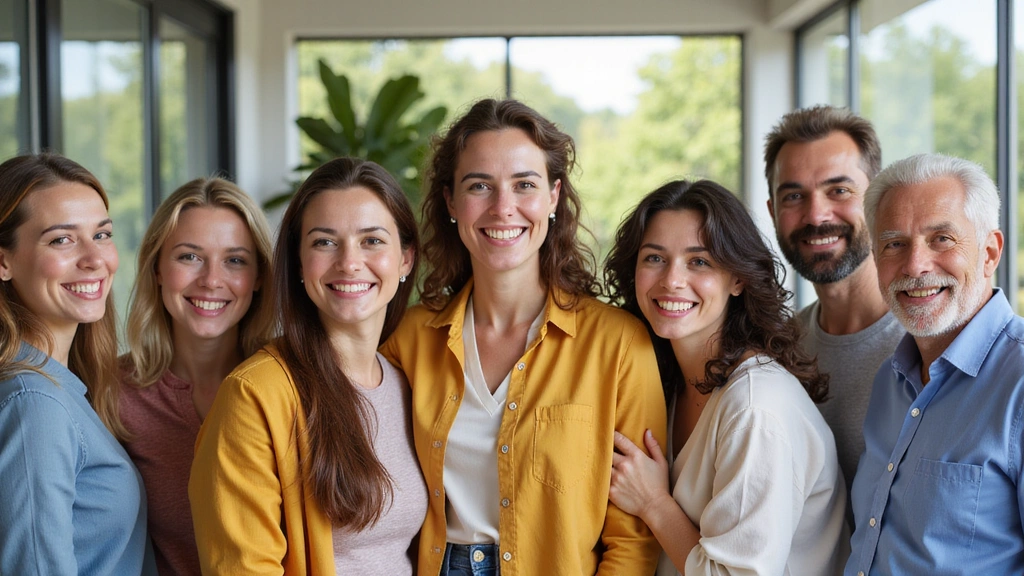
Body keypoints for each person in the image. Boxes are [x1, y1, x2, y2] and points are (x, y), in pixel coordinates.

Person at [380, 98, 666, 576]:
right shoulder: (406, 339)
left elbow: (632, 537)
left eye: (524, 185)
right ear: (451, 201)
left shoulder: (618, 344)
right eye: (479, 186)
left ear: (553, 197)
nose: (503, 207)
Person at [189, 157, 423, 575]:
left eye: (372, 241)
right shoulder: (255, 394)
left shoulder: (409, 385)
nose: (349, 262)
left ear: (405, 259)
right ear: (298, 263)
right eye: (324, 242)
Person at [604, 179, 847, 575]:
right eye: (654, 258)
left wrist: (653, 503)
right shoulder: (662, 381)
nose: (671, 280)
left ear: (738, 279)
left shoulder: (754, 407)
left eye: (699, 261)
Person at [847, 153, 1024, 574]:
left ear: (989, 252)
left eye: (942, 239)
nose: (915, 265)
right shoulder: (889, 381)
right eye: (894, 244)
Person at [0, 153, 156, 575]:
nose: (94, 258)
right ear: (4, 261)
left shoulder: (62, 385)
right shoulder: (35, 402)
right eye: (61, 240)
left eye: (102, 234)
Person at [117, 177, 275, 575]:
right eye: (189, 257)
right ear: (156, 268)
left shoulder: (289, 382)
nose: (211, 280)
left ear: (258, 278)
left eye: (235, 260)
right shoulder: (112, 393)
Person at [764, 105, 904, 499]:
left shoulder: (929, 343)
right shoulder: (779, 349)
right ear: (773, 211)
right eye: (794, 196)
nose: (816, 215)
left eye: (838, 190)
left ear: (877, 197)